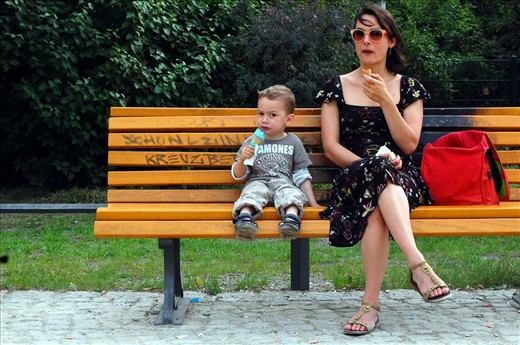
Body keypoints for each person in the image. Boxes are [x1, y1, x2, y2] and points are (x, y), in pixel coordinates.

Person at [315, 4, 451, 336]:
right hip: (353, 175)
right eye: (358, 33)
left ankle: (370, 306)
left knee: (381, 196)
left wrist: (386, 101)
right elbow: (331, 147)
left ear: (390, 40)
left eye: (375, 33)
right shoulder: (336, 87)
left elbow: (408, 144)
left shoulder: (408, 88)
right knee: (377, 178)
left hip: (402, 177)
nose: (366, 40)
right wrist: (369, 165)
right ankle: (417, 266)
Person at [232, 85, 318, 241]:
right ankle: (244, 220)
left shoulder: (293, 142)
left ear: (289, 119)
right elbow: (238, 176)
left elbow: (301, 175)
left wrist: (313, 204)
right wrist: (242, 160)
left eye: (272, 115)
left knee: (292, 193)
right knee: (251, 192)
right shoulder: (251, 142)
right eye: (261, 114)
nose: (264, 120)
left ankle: (291, 221)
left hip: (283, 183)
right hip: (258, 182)